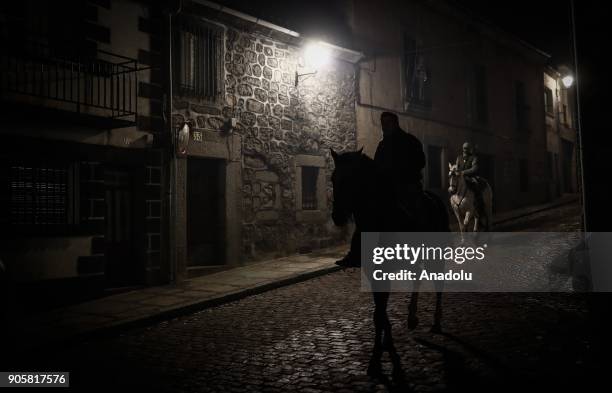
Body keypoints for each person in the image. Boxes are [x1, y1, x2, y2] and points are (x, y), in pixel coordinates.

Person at [336, 111, 426, 267]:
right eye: (383, 124)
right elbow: (377, 166)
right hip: (385, 186)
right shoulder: (382, 144)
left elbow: (420, 162)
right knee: (365, 213)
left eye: (388, 123)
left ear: (395, 123)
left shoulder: (410, 141)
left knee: (411, 211)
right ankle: (356, 252)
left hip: (406, 185)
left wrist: (400, 172)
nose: (385, 127)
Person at [455, 142, 485, 218]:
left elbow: (474, 168)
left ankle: (479, 203)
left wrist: (464, 172)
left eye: (466, 148)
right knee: (453, 187)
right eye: (464, 148)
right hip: (460, 178)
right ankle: (454, 205)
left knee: (476, 186)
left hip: (471, 177)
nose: (465, 150)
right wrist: (456, 171)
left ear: (469, 149)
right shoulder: (459, 158)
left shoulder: (474, 158)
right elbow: (457, 167)